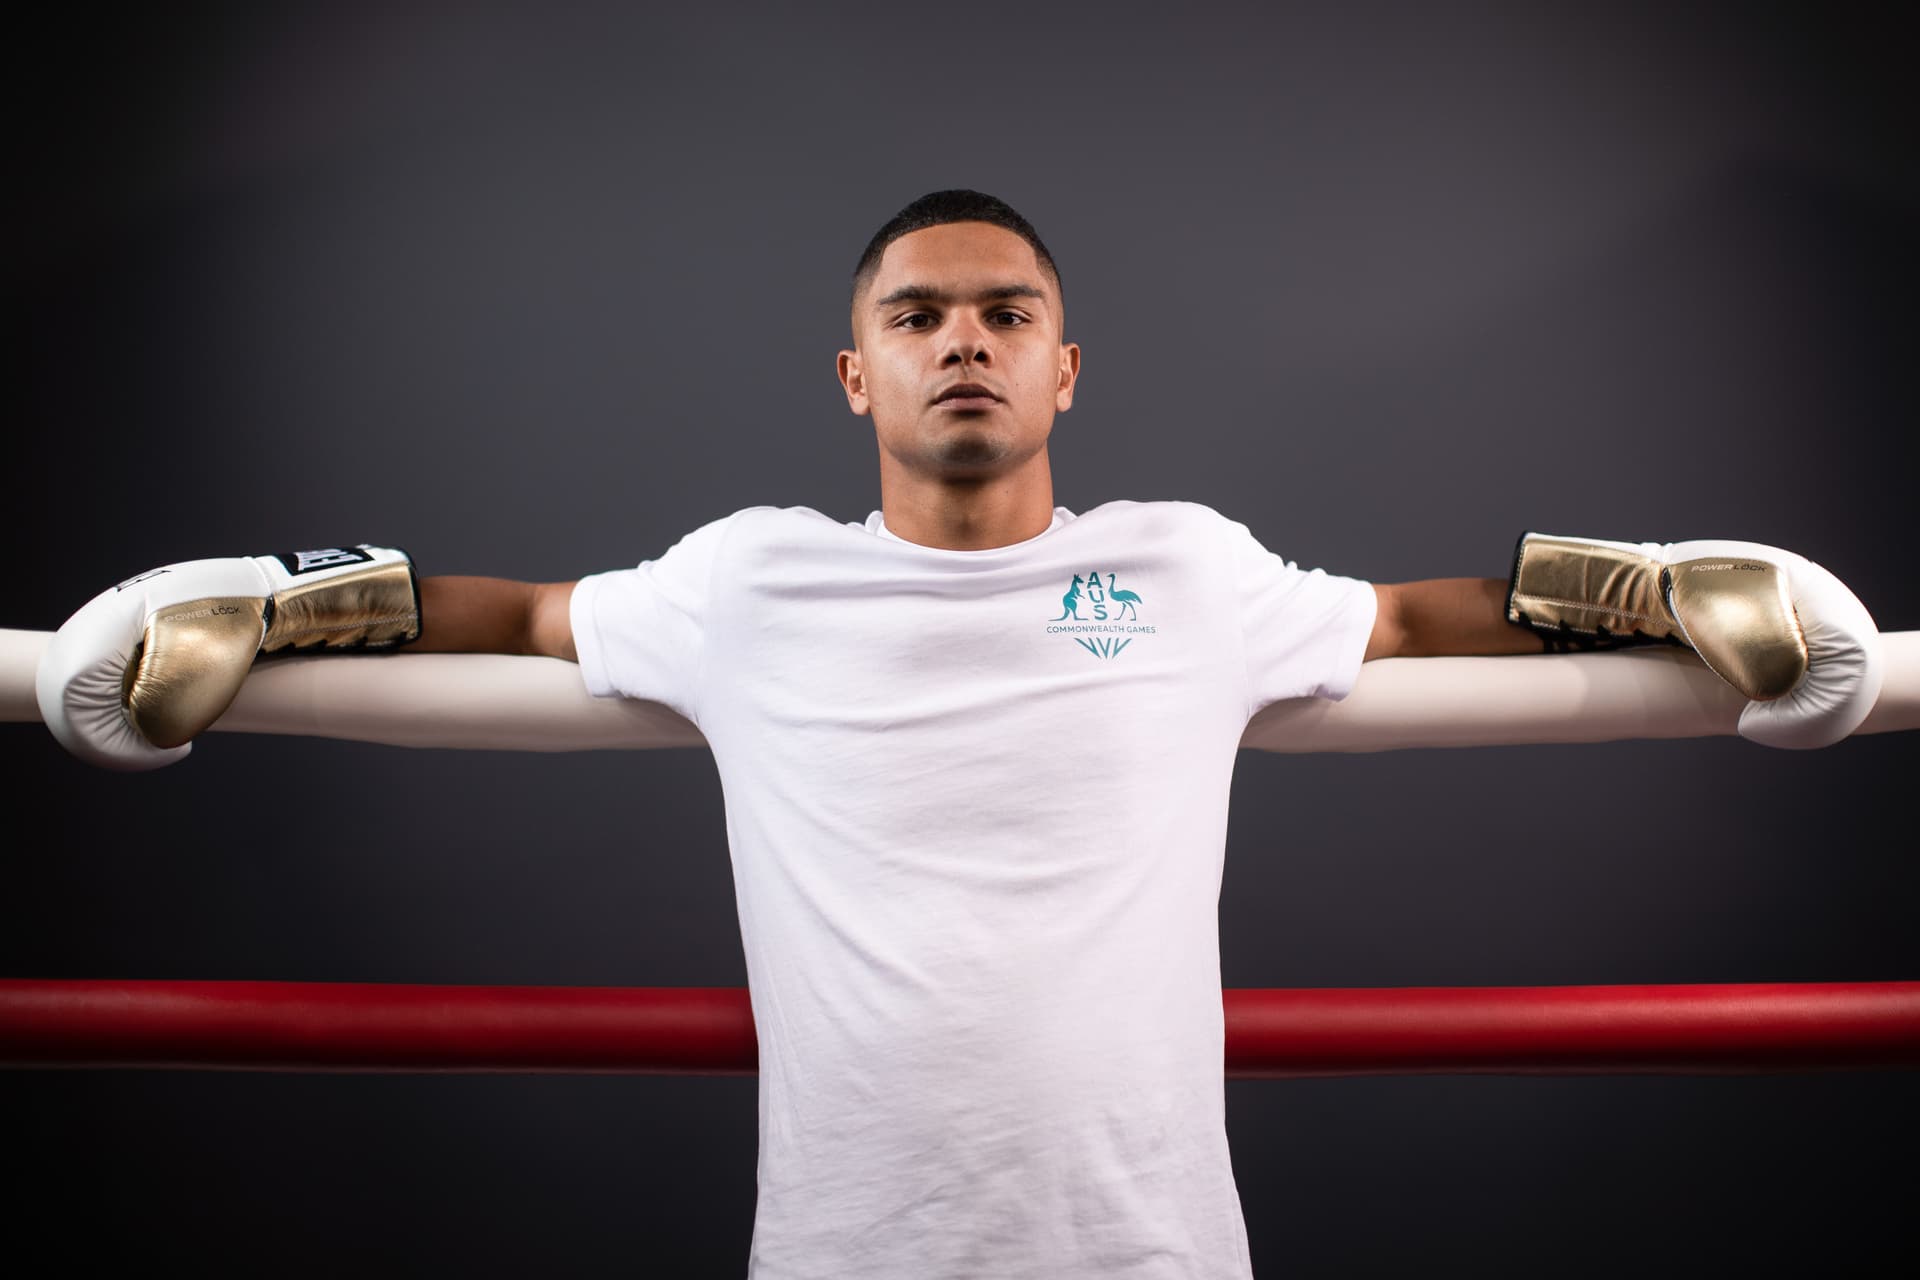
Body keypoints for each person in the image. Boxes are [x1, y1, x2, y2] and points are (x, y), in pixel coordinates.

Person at [33, 190, 1883, 1277]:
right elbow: (518, 617)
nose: (965, 343)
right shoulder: (749, 583)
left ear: (1065, 366)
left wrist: (1661, 590)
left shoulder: (1180, 568)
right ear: (862, 374)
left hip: (1149, 1257)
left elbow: (1406, 621)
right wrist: (266, 597)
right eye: (918, 317)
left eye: (1009, 313)